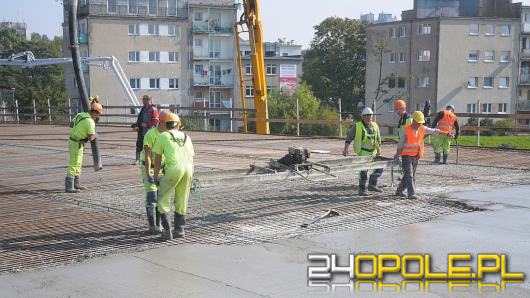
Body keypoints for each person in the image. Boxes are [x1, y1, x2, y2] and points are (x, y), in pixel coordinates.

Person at [152, 113, 195, 240]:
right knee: (182, 199)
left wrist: (155, 177)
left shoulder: (162, 136)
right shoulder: (187, 137)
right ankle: (179, 230)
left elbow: (158, 160)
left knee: (163, 198)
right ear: (178, 125)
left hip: (173, 169)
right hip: (188, 169)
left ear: (165, 124)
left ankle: (167, 232)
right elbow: (192, 159)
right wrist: (191, 177)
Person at [394, 111, 452, 199]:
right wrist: (397, 155)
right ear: (414, 121)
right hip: (406, 156)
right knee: (409, 175)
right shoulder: (406, 130)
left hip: (416, 156)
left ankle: (399, 190)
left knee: (409, 175)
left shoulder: (422, 128)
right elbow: (400, 144)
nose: (420, 124)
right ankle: (411, 194)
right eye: (418, 122)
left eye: (421, 122)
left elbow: (434, 131)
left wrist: (446, 133)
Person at [140, 109, 170, 234]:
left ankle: (159, 225)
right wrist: (148, 174)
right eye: (168, 123)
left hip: (162, 168)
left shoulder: (168, 135)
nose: (170, 126)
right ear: (160, 122)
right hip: (150, 167)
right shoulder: (150, 135)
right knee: (152, 197)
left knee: (160, 198)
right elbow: (147, 156)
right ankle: (152, 226)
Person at [65, 97, 104, 193]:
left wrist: (80, 129)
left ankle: (76, 184)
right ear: (95, 112)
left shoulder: (80, 114)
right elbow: (91, 138)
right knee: (74, 163)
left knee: (78, 162)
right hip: (77, 143)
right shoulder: (91, 122)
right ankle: (69, 187)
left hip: (73, 141)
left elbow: (70, 124)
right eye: (99, 114)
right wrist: (96, 134)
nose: (98, 116)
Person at [342, 107, 383, 196]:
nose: (369, 119)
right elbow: (349, 138)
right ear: (363, 117)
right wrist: (345, 149)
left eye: (370, 117)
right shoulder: (357, 126)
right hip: (363, 152)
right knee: (363, 172)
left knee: (379, 167)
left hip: (374, 152)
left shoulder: (375, 125)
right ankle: (362, 190)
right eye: (367, 117)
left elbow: (378, 138)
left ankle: (372, 184)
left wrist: (379, 149)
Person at [133, 95, 159, 165]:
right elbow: (140, 118)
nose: (143, 101)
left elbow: (156, 120)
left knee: (149, 146)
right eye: (143, 99)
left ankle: (150, 160)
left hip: (149, 131)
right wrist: (136, 125)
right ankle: (137, 160)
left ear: (148, 100)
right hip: (141, 130)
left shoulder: (153, 109)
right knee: (139, 144)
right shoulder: (144, 108)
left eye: (144, 100)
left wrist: (147, 124)